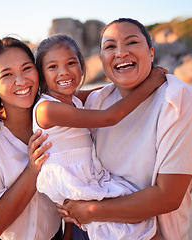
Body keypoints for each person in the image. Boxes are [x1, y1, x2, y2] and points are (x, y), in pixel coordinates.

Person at [57, 18, 192, 240]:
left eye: (131, 42)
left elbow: (168, 196)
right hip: (88, 231)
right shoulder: (97, 102)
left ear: (151, 52)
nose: (120, 52)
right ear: (101, 59)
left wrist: (90, 210)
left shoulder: (176, 103)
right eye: (110, 46)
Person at [33, 34, 167, 239]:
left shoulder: (73, 99)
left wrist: (130, 81)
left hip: (88, 174)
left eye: (71, 63)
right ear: (41, 76)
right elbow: (108, 118)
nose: (64, 72)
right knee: (135, 226)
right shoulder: (47, 109)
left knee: (128, 220)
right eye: (53, 67)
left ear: (82, 67)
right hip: (72, 179)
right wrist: (150, 83)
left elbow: (107, 91)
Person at [0, 37, 64, 240]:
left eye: (27, 68)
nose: (21, 80)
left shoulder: (58, 121)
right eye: (7, 74)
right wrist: (32, 169)